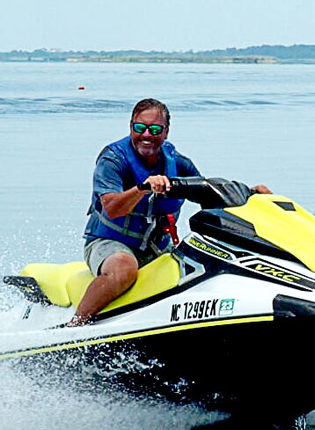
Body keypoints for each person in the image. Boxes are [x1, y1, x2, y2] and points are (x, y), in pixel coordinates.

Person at [68, 99, 268, 325]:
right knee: (124, 269)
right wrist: (142, 188)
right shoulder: (113, 160)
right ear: (130, 126)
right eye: (139, 127)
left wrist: (250, 194)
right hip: (109, 243)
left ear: (166, 132)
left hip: (158, 248)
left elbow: (208, 194)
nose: (147, 135)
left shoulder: (177, 163)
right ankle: (75, 328)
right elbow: (112, 208)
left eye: (155, 129)